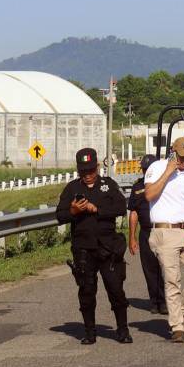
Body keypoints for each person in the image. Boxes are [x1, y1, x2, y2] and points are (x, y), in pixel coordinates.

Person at [56, 148, 131, 345]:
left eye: (91, 170)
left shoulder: (108, 185)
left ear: (97, 167)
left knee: (115, 289)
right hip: (83, 249)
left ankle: (122, 330)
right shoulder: (72, 188)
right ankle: (90, 332)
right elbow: (60, 215)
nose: (87, 175)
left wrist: (96, 209)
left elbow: (121, 208)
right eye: (83, 171)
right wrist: (73, 211)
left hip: (108, 248)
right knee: (87, 292)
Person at [144, 137, 184, 343]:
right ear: (173, 152)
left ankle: (180, 310)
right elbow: (149, 195)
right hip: (164, 231)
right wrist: (169, 171)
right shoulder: (157, 167)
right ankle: (177, 326)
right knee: (172, 279)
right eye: (181, 157)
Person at [128, 154, 166, 315]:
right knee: (150, 268)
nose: (146, 172)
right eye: (144, 169)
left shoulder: (165, 184)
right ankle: (155, 301)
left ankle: (166, 300)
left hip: (164, 230)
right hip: (146, 231)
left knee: (166, 267)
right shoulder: (137, 187)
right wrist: (132, 237)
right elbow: (134, 212)